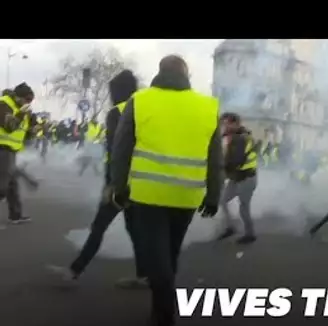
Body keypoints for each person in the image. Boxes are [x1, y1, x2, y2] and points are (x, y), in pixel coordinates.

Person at [111, 55, 223, 326]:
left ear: (159, 72)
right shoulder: (207, 107)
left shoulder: (141, 100)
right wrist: (213, 195)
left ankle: (163, 312)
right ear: (187, 75)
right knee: (170, 251)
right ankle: (161, 305)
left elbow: (121, 148)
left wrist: (119, 186)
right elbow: (215, 157)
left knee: (157, 256)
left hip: (148, 193)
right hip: (186, 195)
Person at [47, 70, 147, 288]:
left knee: (99, 227)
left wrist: (112, 185)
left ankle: (74, 271)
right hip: (139, 181)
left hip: (119, 183)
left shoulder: (117, 112)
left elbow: (117, 150)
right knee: (135, 230)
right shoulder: (143, 109)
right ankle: (144, 274)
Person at [216, 112, 258, 244]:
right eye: (223, 124)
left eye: (227, 123)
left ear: (236, 124)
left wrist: (220, 169)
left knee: (243, 207)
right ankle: (231, 227)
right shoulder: (231, 136)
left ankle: (250, 234)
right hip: (236, 177)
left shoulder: (240, 139)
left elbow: (235, 161)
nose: (224, 126)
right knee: (223, 200)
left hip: (246, 178)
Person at [0, 83, 37, 225]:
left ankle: (15, 215)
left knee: (12, 185)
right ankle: (15, 214)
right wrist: (21, 114)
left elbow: (24, 134)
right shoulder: (4, 104)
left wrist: (33, 129)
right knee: (2, 187)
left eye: (30, 100)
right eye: (26, 99)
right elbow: (9, 127)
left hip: (11, 150)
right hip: (2, 148)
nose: (28, 103)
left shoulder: (22, 109)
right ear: (17, 97)